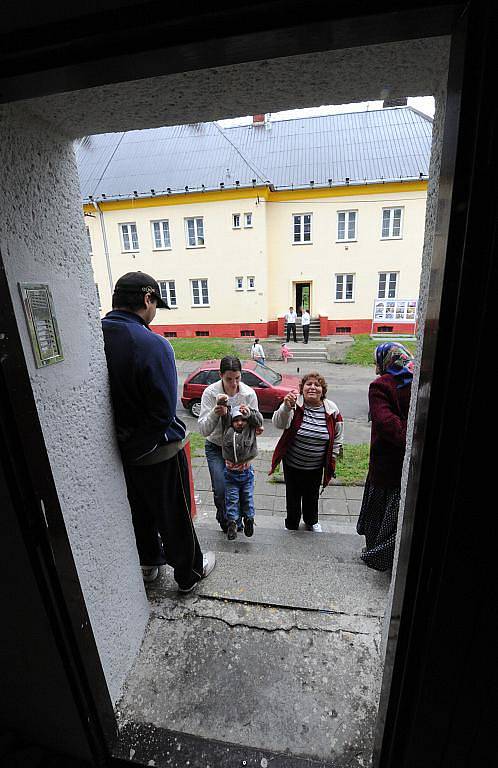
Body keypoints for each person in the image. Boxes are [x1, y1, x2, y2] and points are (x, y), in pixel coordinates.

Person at [101, 271, 216, 590]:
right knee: (173, 514)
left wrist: (126, 450)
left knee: (139, 511)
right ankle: (188, 573)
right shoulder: (153, 344)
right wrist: (140, 448)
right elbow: (164, 412)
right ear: (147, 299)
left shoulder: (97, 336)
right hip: (158, 450)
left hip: (120, 450)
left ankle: (149, 563)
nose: (154, 312)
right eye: (155, 304)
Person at [356, 342, 414, 571]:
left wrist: (407, 434)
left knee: (380, 514)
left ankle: (375, 557)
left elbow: (387, 424)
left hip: (386, 464)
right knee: (393, 515)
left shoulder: (382, 385)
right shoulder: (416, 377)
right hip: (405, 463)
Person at [270, 372, 344, 532]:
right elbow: (279, 423)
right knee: (293, 496)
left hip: (316, 466)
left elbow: (338, 435)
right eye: (308, 384)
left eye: (317, 385)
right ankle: (291, 524)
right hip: (292, 464)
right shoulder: (294, 404)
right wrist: (285, 407)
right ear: (302, 388)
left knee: (312, 496)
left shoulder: (332, 409)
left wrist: (333, 456)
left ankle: (311, 521)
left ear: (322, 390)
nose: (312, 387)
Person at [198, 356, 261, 532]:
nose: (234, 384)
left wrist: (250, 452)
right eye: (229, 379)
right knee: (220, 488)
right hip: (216, 447)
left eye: (238, 378)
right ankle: (226, 522)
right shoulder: (210, 393)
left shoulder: (248, 394)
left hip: (241, 450)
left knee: (242, 489)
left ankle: (239, 521)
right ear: (221, 375)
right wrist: (215, 413)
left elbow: (256, 424)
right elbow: (203, 430)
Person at [221, 404, 263, 540]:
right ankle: (232, 523)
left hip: (246, 475)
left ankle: (249, 519)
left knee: (247, 499)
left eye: (243, 420)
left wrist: (250, 413)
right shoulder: (227, 429)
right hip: (230, 475)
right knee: (232, 500)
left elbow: (258, 420)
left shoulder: (250, 429)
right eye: (236, 420)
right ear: (231, 422)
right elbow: (225, 415)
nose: (240, 423)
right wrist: (223, 403)